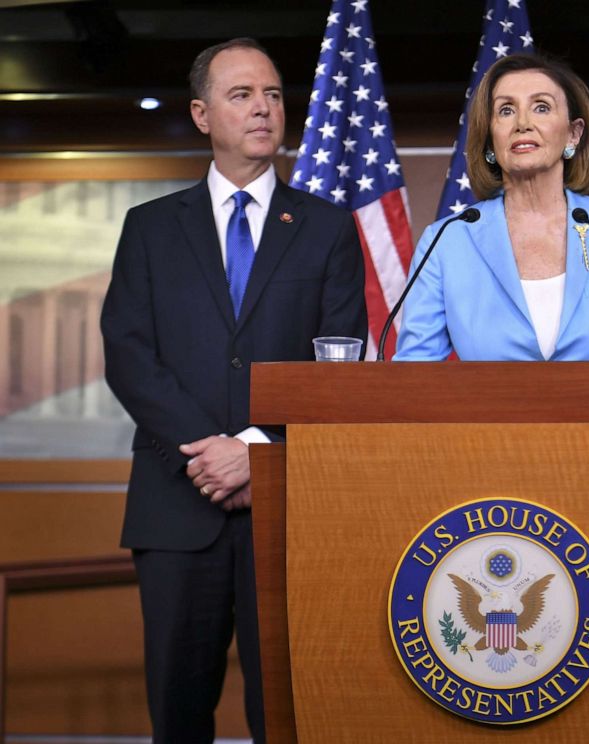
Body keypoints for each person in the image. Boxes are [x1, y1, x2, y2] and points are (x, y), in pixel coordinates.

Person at [100, 38, 367, 743]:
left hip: (288, 513)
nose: (263, 108)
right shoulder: (150, 229)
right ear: (200, 114)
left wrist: (257, 452)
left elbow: (338, 364)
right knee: (179, 716)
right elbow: (129, 355)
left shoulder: (327, 229)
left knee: (285, 716)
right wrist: (208, 453)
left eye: (274, 94)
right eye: (242, 95)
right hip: (175, 509)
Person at [394, 53, 589, 362]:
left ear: (573, 134)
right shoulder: (446, 242)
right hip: (488, 411)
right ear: (490, 141)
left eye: (541, 107)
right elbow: (415, 370)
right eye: (506, 110)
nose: (523, 124)